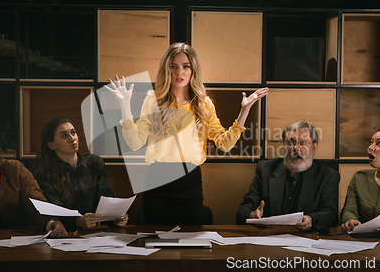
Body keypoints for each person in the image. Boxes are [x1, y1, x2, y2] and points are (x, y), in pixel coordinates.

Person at [105, 42, 268, 225]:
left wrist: (244, 111)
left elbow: (225, 143)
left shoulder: (204, 104)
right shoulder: (153, 100)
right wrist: (124, 107)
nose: (179, 72)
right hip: (157, 181)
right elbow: (135, 143)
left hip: (189, 182)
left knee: (190, 243)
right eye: (173, 67)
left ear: (193, 70)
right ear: (167, 70)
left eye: (185, 66)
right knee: (155, 243)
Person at [236, 121, 340, 230]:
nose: (295, 148)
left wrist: (311, 219)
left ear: (314, 147)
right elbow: (243, 210)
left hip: (304, 240)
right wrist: (252, 215)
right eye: (290, 142)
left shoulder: (327, 175)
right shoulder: (265, 169)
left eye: (302, 143)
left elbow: (330, 214)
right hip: (269, 237)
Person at [34, 117, 128, 230]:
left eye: (73, 133)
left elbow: (106, 203)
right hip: (63, 235)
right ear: (52, 145)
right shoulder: (45, 171)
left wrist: (116, 218)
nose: (72, 138)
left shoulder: (95, 163)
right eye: (64, 135)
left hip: (95, 235)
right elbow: (53, 213)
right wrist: (78, 222)